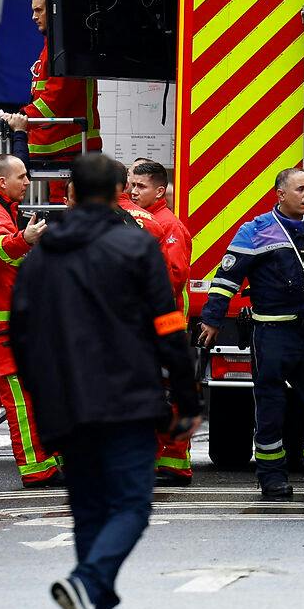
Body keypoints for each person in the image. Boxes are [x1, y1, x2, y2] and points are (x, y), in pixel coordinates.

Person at [10, 152, 201, 609]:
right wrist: (185, 394)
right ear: (118, 191)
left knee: (90, 511)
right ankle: (87, 579)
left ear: (69, 194)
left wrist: (42, 397)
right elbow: (167, 325)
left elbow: (22, 334)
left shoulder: (43, 255)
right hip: (126, 398)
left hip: (66, 404)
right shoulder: (135, 246)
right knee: (132, 506)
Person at [198, 167, 304, 501]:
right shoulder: (256, 232)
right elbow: (227, 277)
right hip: (272, 333)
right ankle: (272, 478)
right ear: (280, 194)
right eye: (299, 189)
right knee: (270, 408)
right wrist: (212, 320)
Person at [0, 155, 61, 488]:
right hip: (1, 326)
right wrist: (26, 240)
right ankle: (37, 469)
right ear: (2, 182)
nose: (28, 182)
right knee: (21, 400)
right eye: (22, 176)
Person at [129, 159, 196, 485]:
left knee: (169, 394)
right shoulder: (146, 222)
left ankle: (175, 463)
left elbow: (174, 276)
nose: (133, 191)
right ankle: (163, 461)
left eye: (141, 186)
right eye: (131, 185)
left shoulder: (168, 226)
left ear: (160, 190)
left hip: (167, 323)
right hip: (154, 324)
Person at [0, 0, 101, 163]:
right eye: (33, 11)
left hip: (71, 150)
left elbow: (55, 99)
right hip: (60, 147)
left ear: (54, 10)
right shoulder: (53, 47)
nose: (33, 17)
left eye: (39, 10)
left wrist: (21, 117)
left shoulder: (67, 50)